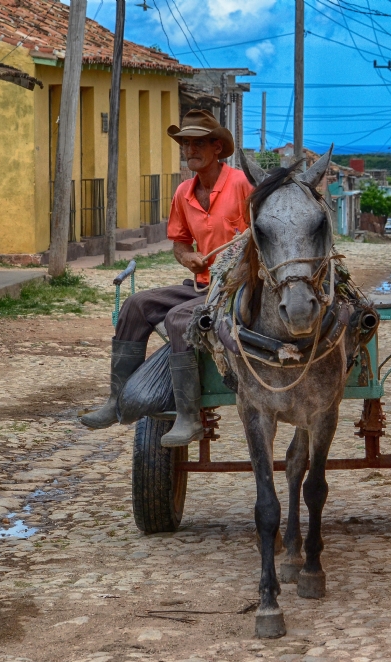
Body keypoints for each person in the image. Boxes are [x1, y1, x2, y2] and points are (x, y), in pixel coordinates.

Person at [79, 109, 253, 447]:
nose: (190, 151)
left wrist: (235, 263)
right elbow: (180, 244)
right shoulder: (183, 193)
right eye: (186, 144)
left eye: (198, 144)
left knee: (177, 318)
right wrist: (189, 257)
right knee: (135, 305)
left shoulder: (241, 185)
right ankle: (116, 401)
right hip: (202, 286)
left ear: (217, 148)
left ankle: (189, 416)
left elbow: (261, 237)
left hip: (237, 290)